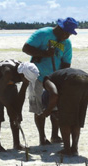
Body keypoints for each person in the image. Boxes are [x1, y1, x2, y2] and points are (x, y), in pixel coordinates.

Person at [22, 17, 78, 145]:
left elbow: (66, 63)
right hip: (37, 77)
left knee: (56, 108)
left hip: (54, 79)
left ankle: (55, 135)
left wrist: (60, 79)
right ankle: (42, 138)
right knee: (38, 108)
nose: (67, 36)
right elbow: (26, 48)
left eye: (70, 34)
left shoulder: (67, 44)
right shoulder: (42, 34)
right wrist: (44, 54)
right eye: (66, 33)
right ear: (59, 28)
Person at [38, 68, 88, 156]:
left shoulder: (46, 80)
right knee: (77, 117)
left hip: (72, 81)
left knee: (64, 120)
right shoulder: (58, 77)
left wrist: (47, 111)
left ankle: (67, 149)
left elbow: (54, 94)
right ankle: (74, 148)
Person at [0, 60, 39, 152]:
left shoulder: (25, 72)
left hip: (11, 83)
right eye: (26, 79)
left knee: (15, 114)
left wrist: (17, 111)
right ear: (22, 75)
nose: (27, 82)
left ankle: (16, 143)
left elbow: (22, 93)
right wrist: (10, 109)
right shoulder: (8, 72)